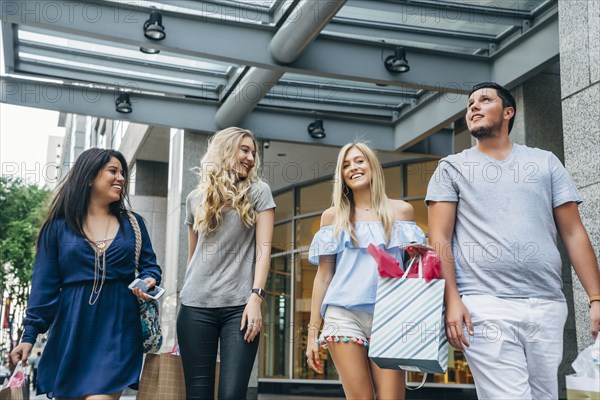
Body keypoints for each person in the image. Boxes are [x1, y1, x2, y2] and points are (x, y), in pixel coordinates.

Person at [426, 82, 600, 399]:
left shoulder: (545, 162)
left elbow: (574, 232)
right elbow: (439, 237)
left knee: (544, 395)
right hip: (483, 303)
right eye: (470, 104)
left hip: (546, 304)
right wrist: (451, 298)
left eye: (484, 100)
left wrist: (596, 297)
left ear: (508, 112)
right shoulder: (451, 168)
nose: (473, 107)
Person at [11, 148, 162, 399]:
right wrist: (29, 335)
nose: (121, 178)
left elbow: (150, 265)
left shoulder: (133, 224)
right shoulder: (57, 228)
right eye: (113, 171)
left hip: (119, 329)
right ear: (89, 176)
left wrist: (149, 279)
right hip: (72, 331)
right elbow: (44, 287)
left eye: (123, 173)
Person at [306, 142, 426, 399]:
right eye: (346, 165)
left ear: (372, 165)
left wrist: (419, 257)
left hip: (390, 316)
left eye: (359, 161)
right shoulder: (333, 217)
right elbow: (324, 276)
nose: (353, 168)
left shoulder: (402, 212)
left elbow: (412, 271)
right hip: (343, 317)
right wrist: (312, 334)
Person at [177, 127, 275, 399]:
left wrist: (256, 297)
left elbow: (263, 250)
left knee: (233, 394)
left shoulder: (259, 192)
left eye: (253, 152)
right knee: (198, 395)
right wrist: (183, 298)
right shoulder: (195, 198)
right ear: (225, 150)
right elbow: (192, 255)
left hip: (240, 308)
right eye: (245, 150)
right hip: (195, 306)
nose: (251, 158)